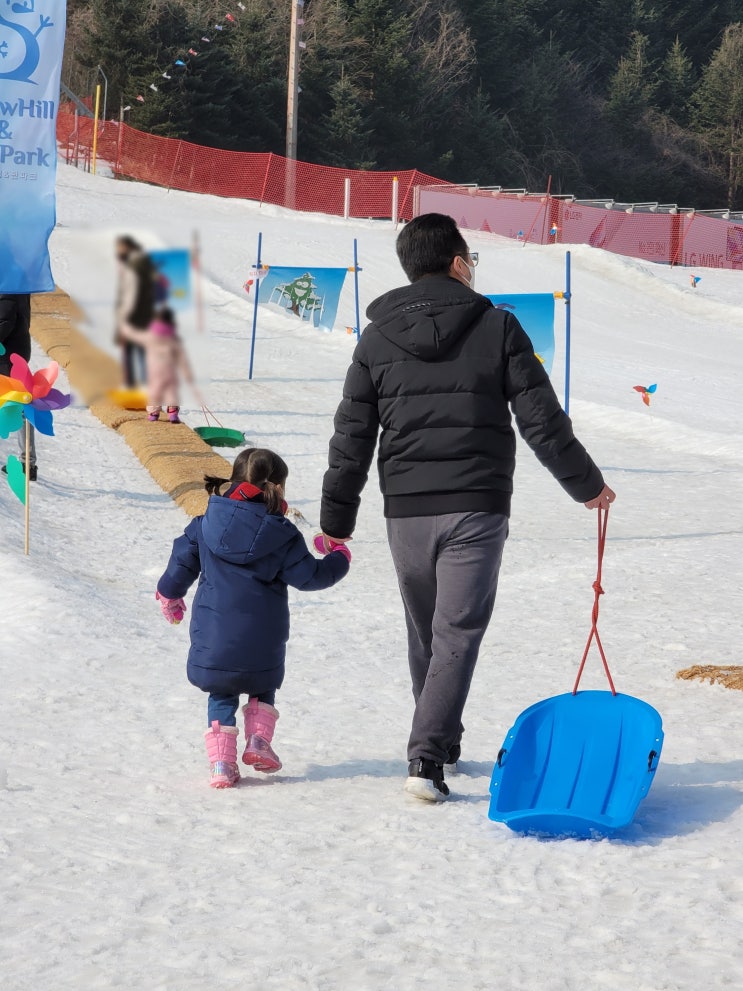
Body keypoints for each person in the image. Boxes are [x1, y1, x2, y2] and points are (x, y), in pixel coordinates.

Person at [319, 213, 615, 803]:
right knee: (456, 631)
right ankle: (426, 758)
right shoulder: (498, 326)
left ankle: (442, 737)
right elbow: (541, 418)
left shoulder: (376, 338)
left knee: (430, 631)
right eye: (470, 259)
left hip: (405, 509)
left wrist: (336, 521)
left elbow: (352, 433)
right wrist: (587, 484)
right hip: (476, 504)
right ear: (457, 263)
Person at [156, 448, 352, 789]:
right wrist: (339, 557)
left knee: (221, 692)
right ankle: (259, 742)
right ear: (276, 488)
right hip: (264, 637)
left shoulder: (203, 525)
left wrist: (169, 595)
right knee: (262, 686)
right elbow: (310, 577)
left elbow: (180, 566)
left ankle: (221, 764)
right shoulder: (282, 534)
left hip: (214, 638)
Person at [119, 306, 193, 423]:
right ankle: (173, 413)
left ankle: (154, 414)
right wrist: (187, 373)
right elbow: (181, 358)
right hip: (170, 371)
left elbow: (135, 335)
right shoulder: (174, 338)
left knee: (154, 392)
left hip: (155, 371)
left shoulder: (150, 336)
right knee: (171, 392)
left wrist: (125, 329)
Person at [0, 293, 37, 481]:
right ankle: (28, 461)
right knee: (18, 405)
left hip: (8, 355)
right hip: (16, 351)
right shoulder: (18, 285)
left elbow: (4, 321)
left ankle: (27, 462)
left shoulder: (9, 288)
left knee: (18, 406)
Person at [115, 235, 155, 388]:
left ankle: (138, 383)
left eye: (121, 247)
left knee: (137, 349)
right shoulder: (131, 263)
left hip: (136, 314)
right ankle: (136, 382)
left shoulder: (134, 265)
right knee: (135, 350)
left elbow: (130, 294)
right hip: (139, 313)